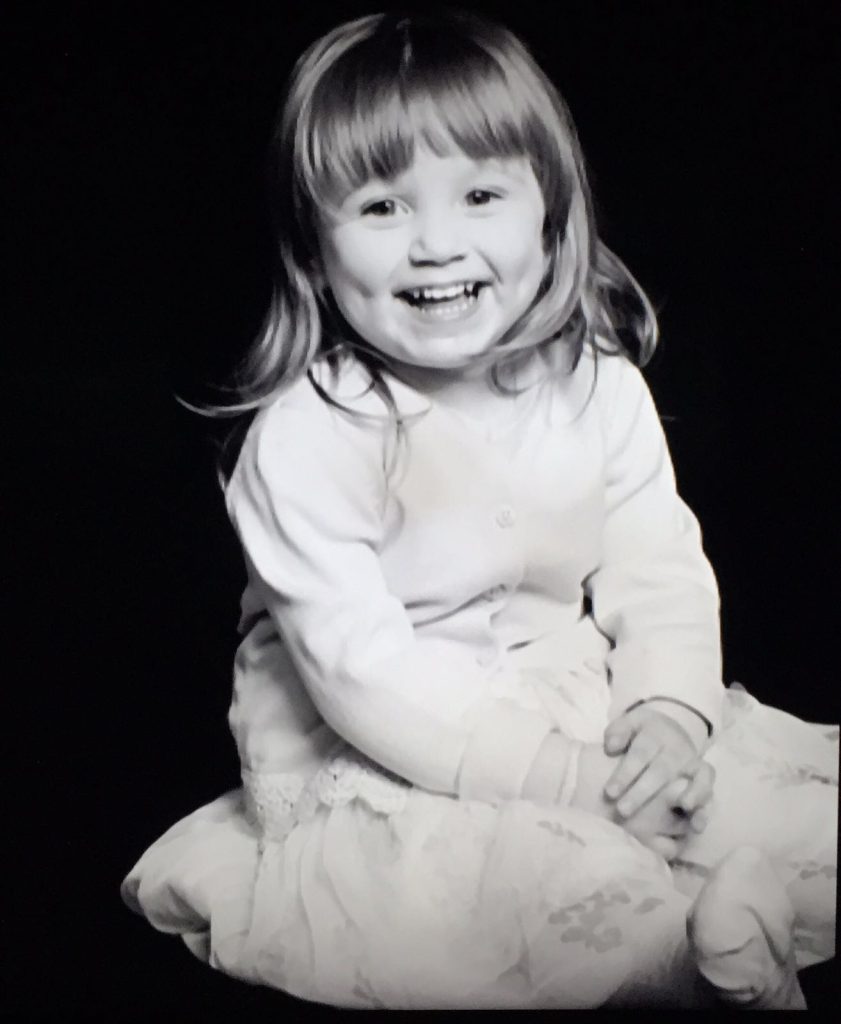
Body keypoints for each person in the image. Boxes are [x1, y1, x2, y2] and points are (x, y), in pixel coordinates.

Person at [121, 9, 837, 1010]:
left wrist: (667, 713)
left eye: (481, 193)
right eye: (379, 207)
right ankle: (690, 965)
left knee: (774, 814)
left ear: (548, 218)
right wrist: (559, 779)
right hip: (381, 747)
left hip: (562, 693)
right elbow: (364, 677)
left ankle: (721, 920)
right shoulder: (310, 437)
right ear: (314, 250)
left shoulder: (596, 386)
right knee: (528, 894)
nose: (434, 244)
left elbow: (657, 566)